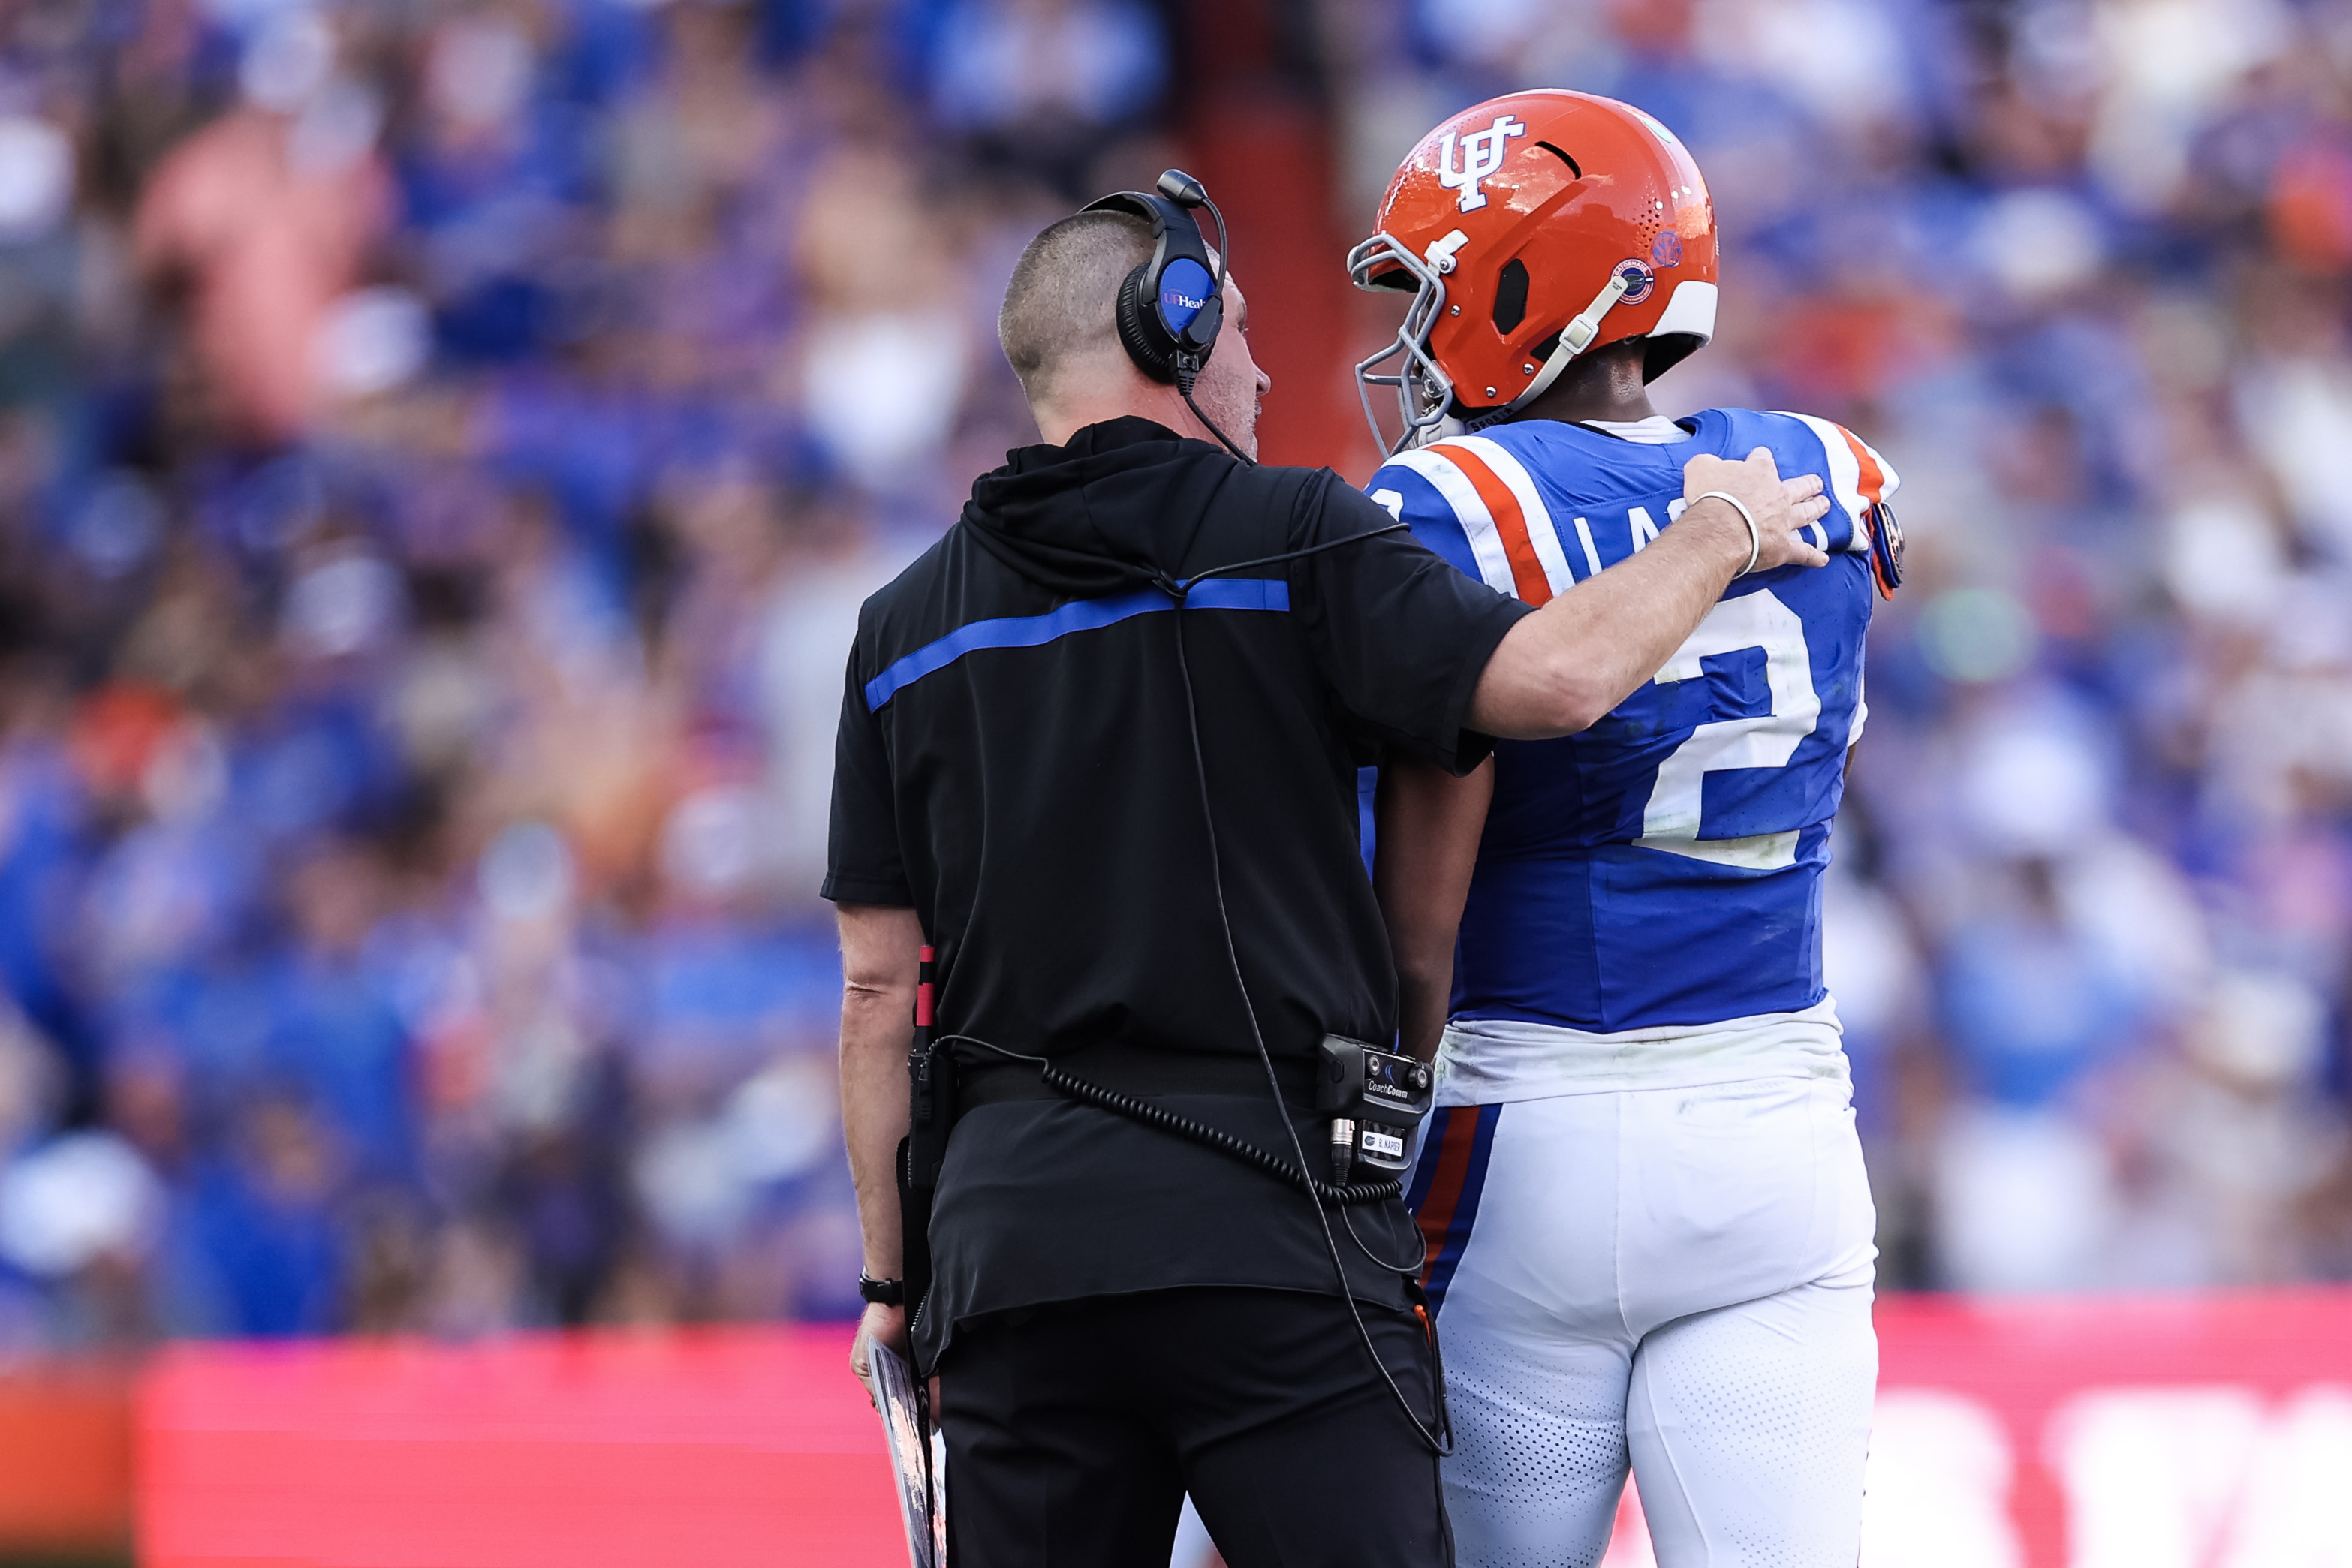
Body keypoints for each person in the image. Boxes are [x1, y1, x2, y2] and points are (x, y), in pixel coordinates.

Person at [825, 169, 1832, 1568]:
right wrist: (1716, 529)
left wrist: (893, 1275)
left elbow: (879, 991)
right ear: (1167, 333)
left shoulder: (897, 626)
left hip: (1013, 1258)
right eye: (1232, 326)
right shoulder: (1298, 533)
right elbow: (1550, 684)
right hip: (1270, 1224)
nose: (1265, 359)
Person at [1353, 92, 1900, 1568]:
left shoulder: (1448, 499)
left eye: (1433, 288)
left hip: (1522, 1110)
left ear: (1536, 287)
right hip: (1775, 1117)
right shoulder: (1827, 474)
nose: (1409, 334)